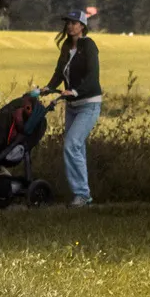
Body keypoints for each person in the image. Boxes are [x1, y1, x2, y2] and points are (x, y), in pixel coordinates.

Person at [45, 10, 101, 207]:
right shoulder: (67, 47)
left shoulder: (89, 46)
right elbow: (59, 73)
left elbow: (93, 77)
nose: (70, 26)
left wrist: (75, 91)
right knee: (77, 147)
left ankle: (82, 194)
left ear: (82, 26)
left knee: (71, 144)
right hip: (72, 106)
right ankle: (84, 195)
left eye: (75, 23)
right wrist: (48, 88)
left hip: (89, 104)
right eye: (68, 22)